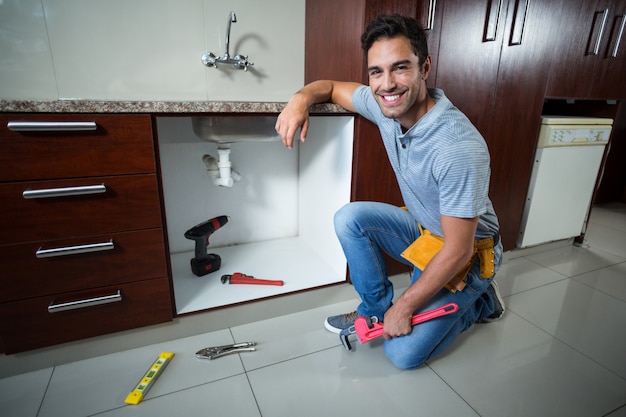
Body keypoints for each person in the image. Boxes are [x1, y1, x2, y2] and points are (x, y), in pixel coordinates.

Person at [275, 14, 505, 370]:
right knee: (349, 218)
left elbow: (458, 251)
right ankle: (373, 310)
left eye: (400, 68)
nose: (386, 84)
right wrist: (299, 99)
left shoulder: (457, 147)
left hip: (469, 255)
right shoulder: (386, 106)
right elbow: (333, 87)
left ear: (424, 67)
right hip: (427, 232)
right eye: (376, 71)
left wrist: (406, 305)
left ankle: (482, 302)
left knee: (402, 355)